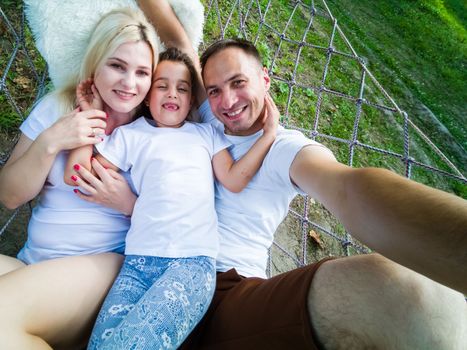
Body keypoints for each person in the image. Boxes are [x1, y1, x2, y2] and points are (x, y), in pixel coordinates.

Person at [158, 38, 466, 349]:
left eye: (238, 82)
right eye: (215, 90)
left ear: (265, 79)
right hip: (160, 254)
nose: (228, 101)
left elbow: (347, 189)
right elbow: (179, 38)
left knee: (404, 293)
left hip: (224, 287)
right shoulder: (212, 118)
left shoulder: (284, 149)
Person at [0, 5, 189, 349]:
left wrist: (128, 204)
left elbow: (176, 223)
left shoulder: (156, 133)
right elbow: (9, 195)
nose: (130, 84)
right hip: (33, 263)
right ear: (95, 63)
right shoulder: (58, 107)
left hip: (100, 272)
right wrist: (51, 141)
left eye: (142, 73)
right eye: (117, 66)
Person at [79, 47, 277, 349]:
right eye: (162, 86)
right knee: (102, 344)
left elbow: (234, 179)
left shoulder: (205, 135)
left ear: (190, 100)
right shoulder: (132, 135)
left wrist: (268, 137)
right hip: (137, 262)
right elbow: (90, 171)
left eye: (182, 89)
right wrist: (91, 115)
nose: (172, 94)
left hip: (191, 264)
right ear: (147, 95)